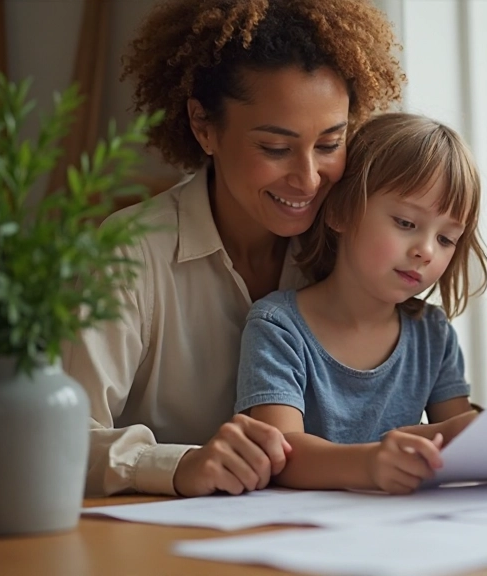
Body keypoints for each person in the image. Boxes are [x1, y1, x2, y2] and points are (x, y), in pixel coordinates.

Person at [61, 0, 405, 497]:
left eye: (330, 144)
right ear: (204, 126)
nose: (308, 178)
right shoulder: (126, 256)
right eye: (275, 148)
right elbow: (59, 440)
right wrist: (179, 465)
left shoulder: (355, 246)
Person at [235, 113, 487, 495]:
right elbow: (280, 452)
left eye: (446, 239)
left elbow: (461, 446)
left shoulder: (433, 335)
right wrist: (372, 463)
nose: (425, 250)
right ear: (340, 210)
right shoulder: (278, 327)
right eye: (406, 223)